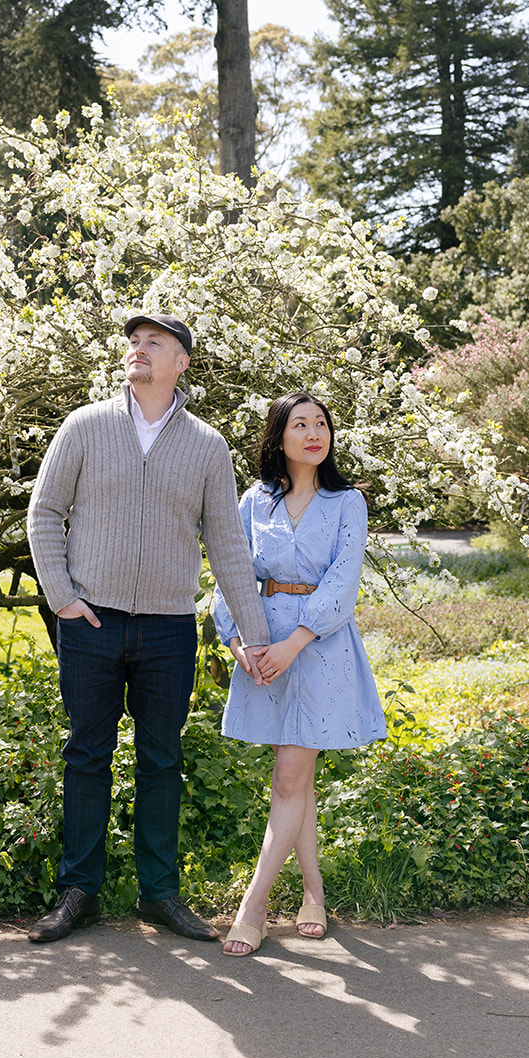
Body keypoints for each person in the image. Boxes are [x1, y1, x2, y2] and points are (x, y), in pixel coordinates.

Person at [26, 311, 270, 944]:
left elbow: (227, 545)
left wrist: (255, 634)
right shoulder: (84, 426)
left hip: (168, 628)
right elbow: (44, 513)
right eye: (133, 342)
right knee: (86, 755)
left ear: (181, 362)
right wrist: (63, 598)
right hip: (91, 622)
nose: (138, 350)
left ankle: (159, 894)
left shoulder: (207, 446)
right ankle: (79, 891)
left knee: (162, 760)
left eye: (154, 343)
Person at [212, 391, 386, 956]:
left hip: (318, 646)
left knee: (288, 777)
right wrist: (239, 640)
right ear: (279, 437)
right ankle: (314, 892)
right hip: (261, 643)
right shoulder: (253, 501)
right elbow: (230, 568)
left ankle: (254, 905)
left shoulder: (346, 503)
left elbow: (342, 581)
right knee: (297, 776)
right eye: (301, 424)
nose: (314, 433)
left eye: (322, 424)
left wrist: (294, 643)